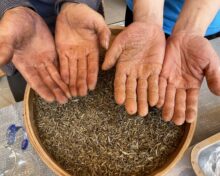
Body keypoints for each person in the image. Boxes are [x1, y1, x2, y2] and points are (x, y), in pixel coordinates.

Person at [0, 0, 220, 126]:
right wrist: (8, 6)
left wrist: (192, 28)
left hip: (208, 11)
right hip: (23, 32)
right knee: (38, 88)